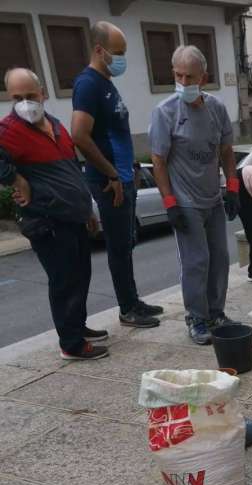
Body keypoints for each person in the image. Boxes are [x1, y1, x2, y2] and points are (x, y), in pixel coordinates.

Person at [0, 68, 108, 360]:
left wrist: (86, 209)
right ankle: (71, 344)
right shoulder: (8, 131)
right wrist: (16, 180)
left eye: (30, 95)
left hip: (73, 217)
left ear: (43, 93)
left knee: (80, 276)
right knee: (64, 281)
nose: (25, 103)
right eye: (17, 97)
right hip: (47, 220)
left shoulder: (56, 126)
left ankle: (77, 327)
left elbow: (72, 171)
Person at [71, 21, 162, 328]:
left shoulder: (106, 83)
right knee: (119, 248)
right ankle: (127, 309)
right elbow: (79, 135)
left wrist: (131, 168)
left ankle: (133, 300)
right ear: (99, 50)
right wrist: (111, 175)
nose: (122, 58)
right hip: (109, 183)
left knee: (127, 243)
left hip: (123, 178)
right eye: (118, 52)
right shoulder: (88, 84)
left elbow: (114, 134)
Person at [149, 45, 240, 345]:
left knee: (220, 258)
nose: (184, 82)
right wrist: (169, 202)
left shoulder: (217, 109)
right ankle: (197, 317)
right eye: (178, 75)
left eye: (190, 77)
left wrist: (233, 188)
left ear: (204, 77)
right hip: (185, 201)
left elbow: (226, 151)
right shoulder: (165, 113)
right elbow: (158, 161)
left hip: (212, 197)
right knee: (196, 261)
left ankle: (216, 313)